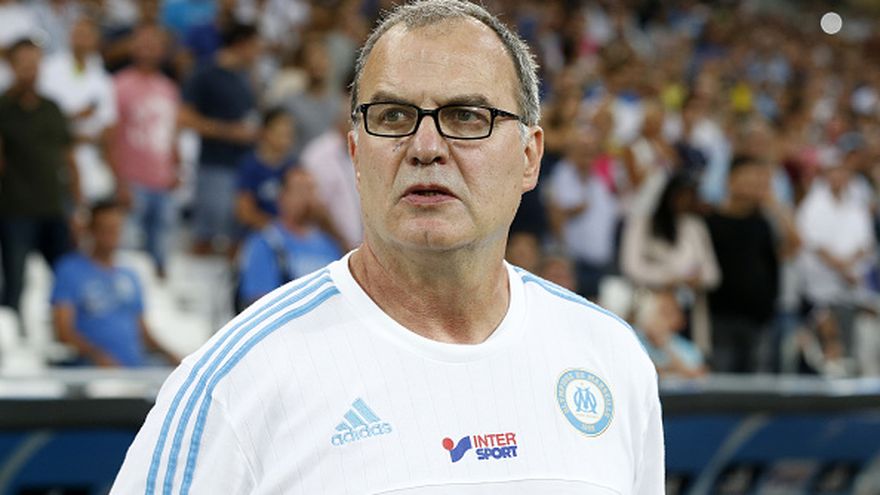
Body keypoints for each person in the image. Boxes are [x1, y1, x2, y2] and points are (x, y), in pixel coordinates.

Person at [111, 1, 663, 493]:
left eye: (466, 116)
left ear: (529, 157)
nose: (425, 147)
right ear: (356, 154)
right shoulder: (235, 383)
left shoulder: (611, 357)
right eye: (393, 116)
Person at [0, 39, 79, 316]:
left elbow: (69, 159)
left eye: (34, 63)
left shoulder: (51, 108)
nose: (29, 70)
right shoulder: (3, 107)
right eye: (23, 64)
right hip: (14, 210)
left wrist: (76, 206)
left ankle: (64, 330)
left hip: (53, 207)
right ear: (11, 66)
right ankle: (9, 334)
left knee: (68, 278)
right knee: (15, 282)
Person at [51, 200, 179, 367]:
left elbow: (143, 332)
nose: (111, 235)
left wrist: (172, 356)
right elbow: (63, 331)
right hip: (90, 368)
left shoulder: (130, 274)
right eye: (105, 228)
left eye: (116, 228)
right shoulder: (70, 270)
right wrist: (97, 357)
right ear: (91, 230)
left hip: (135, 366)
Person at [705, 155, 799, 373]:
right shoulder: (710, 220)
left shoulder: (763, 222)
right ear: (730, 180)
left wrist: (775, 205)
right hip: (720, 316)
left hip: (760, 318)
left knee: (758, 382)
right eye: (748, 179)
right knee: (722, 379)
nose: (753, 185)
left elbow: (793, 245)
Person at [179, 21, 260, 255]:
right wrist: (229, 132)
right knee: (206, 235)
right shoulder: (206, 73)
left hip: (242, 165)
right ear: (242, 44)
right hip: (214, 165)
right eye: (255, 46)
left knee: (235, 237)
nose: (258, 53)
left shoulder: (244, 77)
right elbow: (185, 118)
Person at [111, 22, 181, 279]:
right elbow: (111, 137)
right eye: (143, 44)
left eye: (154, 45)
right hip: (133, 181)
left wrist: (177, 168)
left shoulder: (169, 88)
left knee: (161, 254)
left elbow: (172, 132)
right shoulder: (119, 84)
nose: (148, 50)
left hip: (163, 183)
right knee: (128, 255)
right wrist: (120, 180)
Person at [38, 15, 120, 204]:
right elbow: (42, 117)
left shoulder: (103, 79)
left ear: (96, 41)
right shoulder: (49, 69)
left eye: (87, 34)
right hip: (55, 159)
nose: (81, 39)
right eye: (78, 33)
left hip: (92, 162)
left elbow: (109, 126)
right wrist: (76, 119)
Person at [237, 168, 342, 307]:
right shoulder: (266, 243)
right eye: (299, 191)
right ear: (282, 198)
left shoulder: (329, 245)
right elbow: (259, 301)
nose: (307, 198)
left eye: (311, 190)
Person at [234, 108, 297, 231]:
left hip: (288, 233)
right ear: (265, 132)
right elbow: (244, 211)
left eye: (289, 134)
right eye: (280, 133)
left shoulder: (293, 166)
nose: (286, 139)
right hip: (256, 233)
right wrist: (277, 229)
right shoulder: (250, 166)